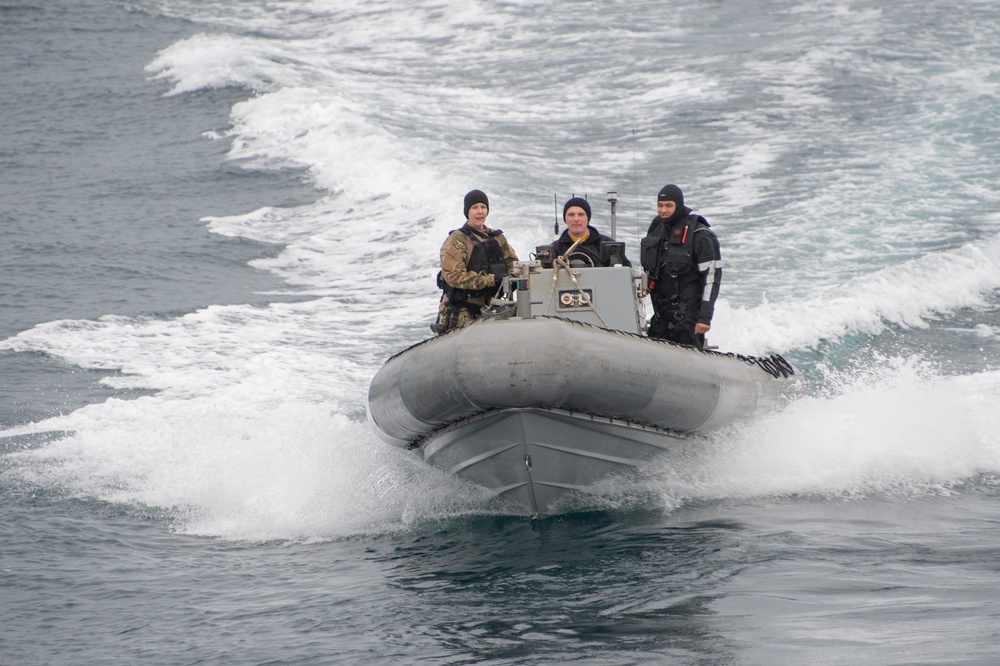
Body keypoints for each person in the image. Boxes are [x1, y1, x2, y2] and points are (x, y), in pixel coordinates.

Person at [640, 184, 721, 348]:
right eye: (660, 205)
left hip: (688, 318)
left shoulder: (699, 234)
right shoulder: (656, 228)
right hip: (661, 317)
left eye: (669, 205)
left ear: (679, 205)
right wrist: (646, 283)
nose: (663, 210)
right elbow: (651, 266)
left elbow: (712, 278)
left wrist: (704, 318)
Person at [433, 189, 518, 334]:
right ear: (467, 212)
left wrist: (512, 280)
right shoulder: (457, 240)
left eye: (483, 207)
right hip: (462, 308)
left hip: (491, 306)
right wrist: (491, 280)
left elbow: (513, 265)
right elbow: (454, 277)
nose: (480, 212)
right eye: (475, 208)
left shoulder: (497, 238)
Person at [550, 197, 632, 267]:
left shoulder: (609, 246)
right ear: (565, 219)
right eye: (571, 215)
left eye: (581, 214)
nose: (576, 219)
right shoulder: (554, 250)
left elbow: (626, 272)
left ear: (588, 218)